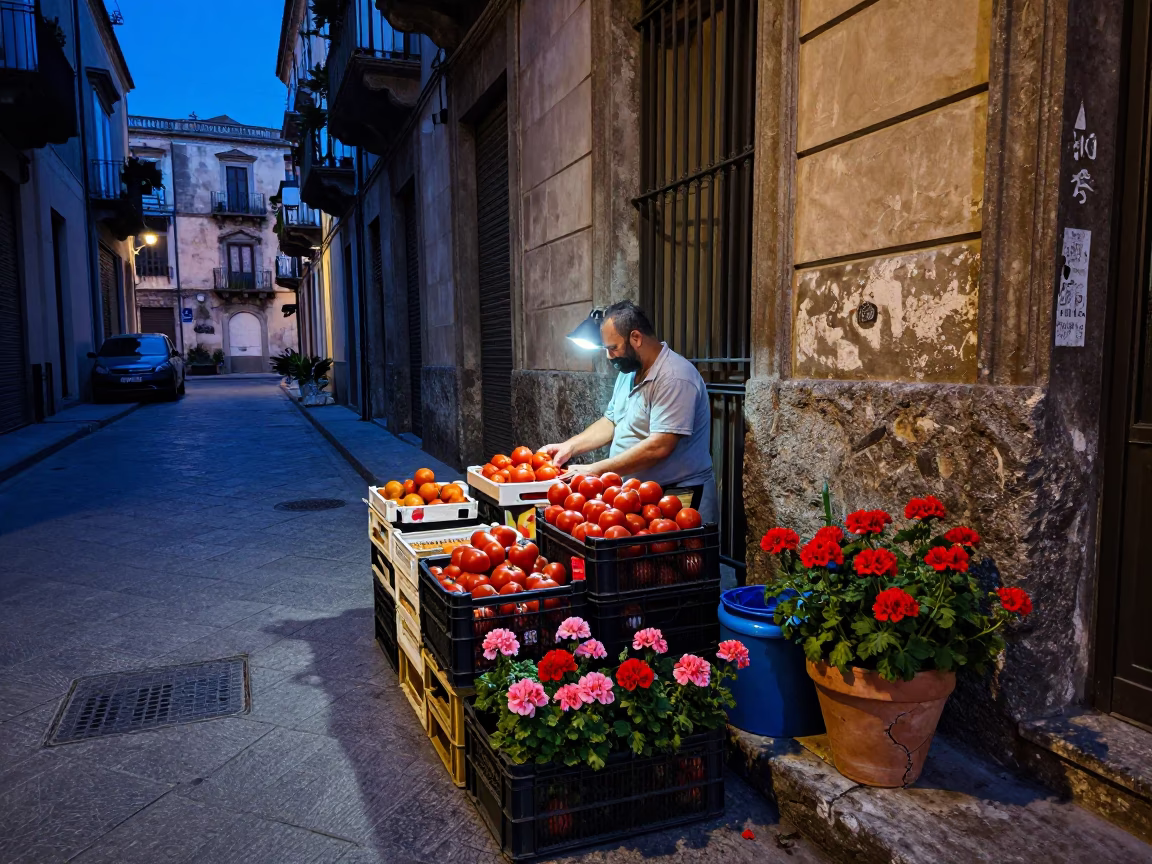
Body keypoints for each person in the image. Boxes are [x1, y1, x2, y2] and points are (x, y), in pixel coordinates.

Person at [540, 300, 718, 524]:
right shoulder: (630, 370)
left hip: (678, 496)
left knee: (680, 556)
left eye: (613, 348)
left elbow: (660, 446)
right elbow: (611, 421)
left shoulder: (674, 377)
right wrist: (570, 447)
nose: (609, 356)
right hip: (639, 494)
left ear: (636, 338)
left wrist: (594, 469)